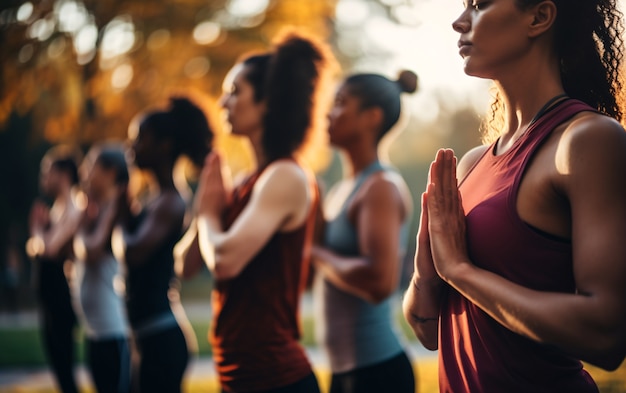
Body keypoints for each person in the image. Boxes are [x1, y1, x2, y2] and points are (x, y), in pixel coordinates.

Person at [402, 1, 626, 392]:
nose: (459, 21)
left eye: (481, 4)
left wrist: (459, 270)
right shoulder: (471, 163)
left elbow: (606, 336)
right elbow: (427, 330)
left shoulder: (587, 140)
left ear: (539, 17)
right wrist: (429, 264)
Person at [176, 30, 334, 393]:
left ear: (266, 103)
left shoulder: (286, 176)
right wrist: (208, 208)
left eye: (234, 92)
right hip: (238, 377)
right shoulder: (249, 180)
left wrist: (210, 214)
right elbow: (185, 265)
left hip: (277, 379)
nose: (222, 104)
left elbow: (225, 259)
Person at [311, 70, 417, 393]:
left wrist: (315, 253)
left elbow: (379, 281)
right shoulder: (342, 189)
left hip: (378, 373)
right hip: (346, 372)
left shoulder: (381, 187)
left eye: (341, 103)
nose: (329, 113)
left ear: (372, 117)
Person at [113, 97, 212, 393]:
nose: (131, 146)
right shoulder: (153, 200)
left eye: (140, 138)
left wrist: (117, 218)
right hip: (146, 338)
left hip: (162, 340)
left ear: (164, 145)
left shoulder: (170, 202)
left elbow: (132, 253)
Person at [72, 145, 131, 393]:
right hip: (96, 331)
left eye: (92, 165)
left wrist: (82, 229)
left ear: (111, 173)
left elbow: (91, 250)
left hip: (113, 331)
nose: (85, 172)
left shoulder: (116, 209)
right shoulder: (97, 211)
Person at [27, 145, 83, 393]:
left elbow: (48, 249)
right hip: (50, 301)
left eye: (47, 172)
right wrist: (39, 240)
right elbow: (37, 247)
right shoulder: (58, 208)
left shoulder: (74, 206)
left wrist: (38, 233)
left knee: (65, 368)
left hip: (62, 301)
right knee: (59, 368)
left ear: (63, 174)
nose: (44, 178)